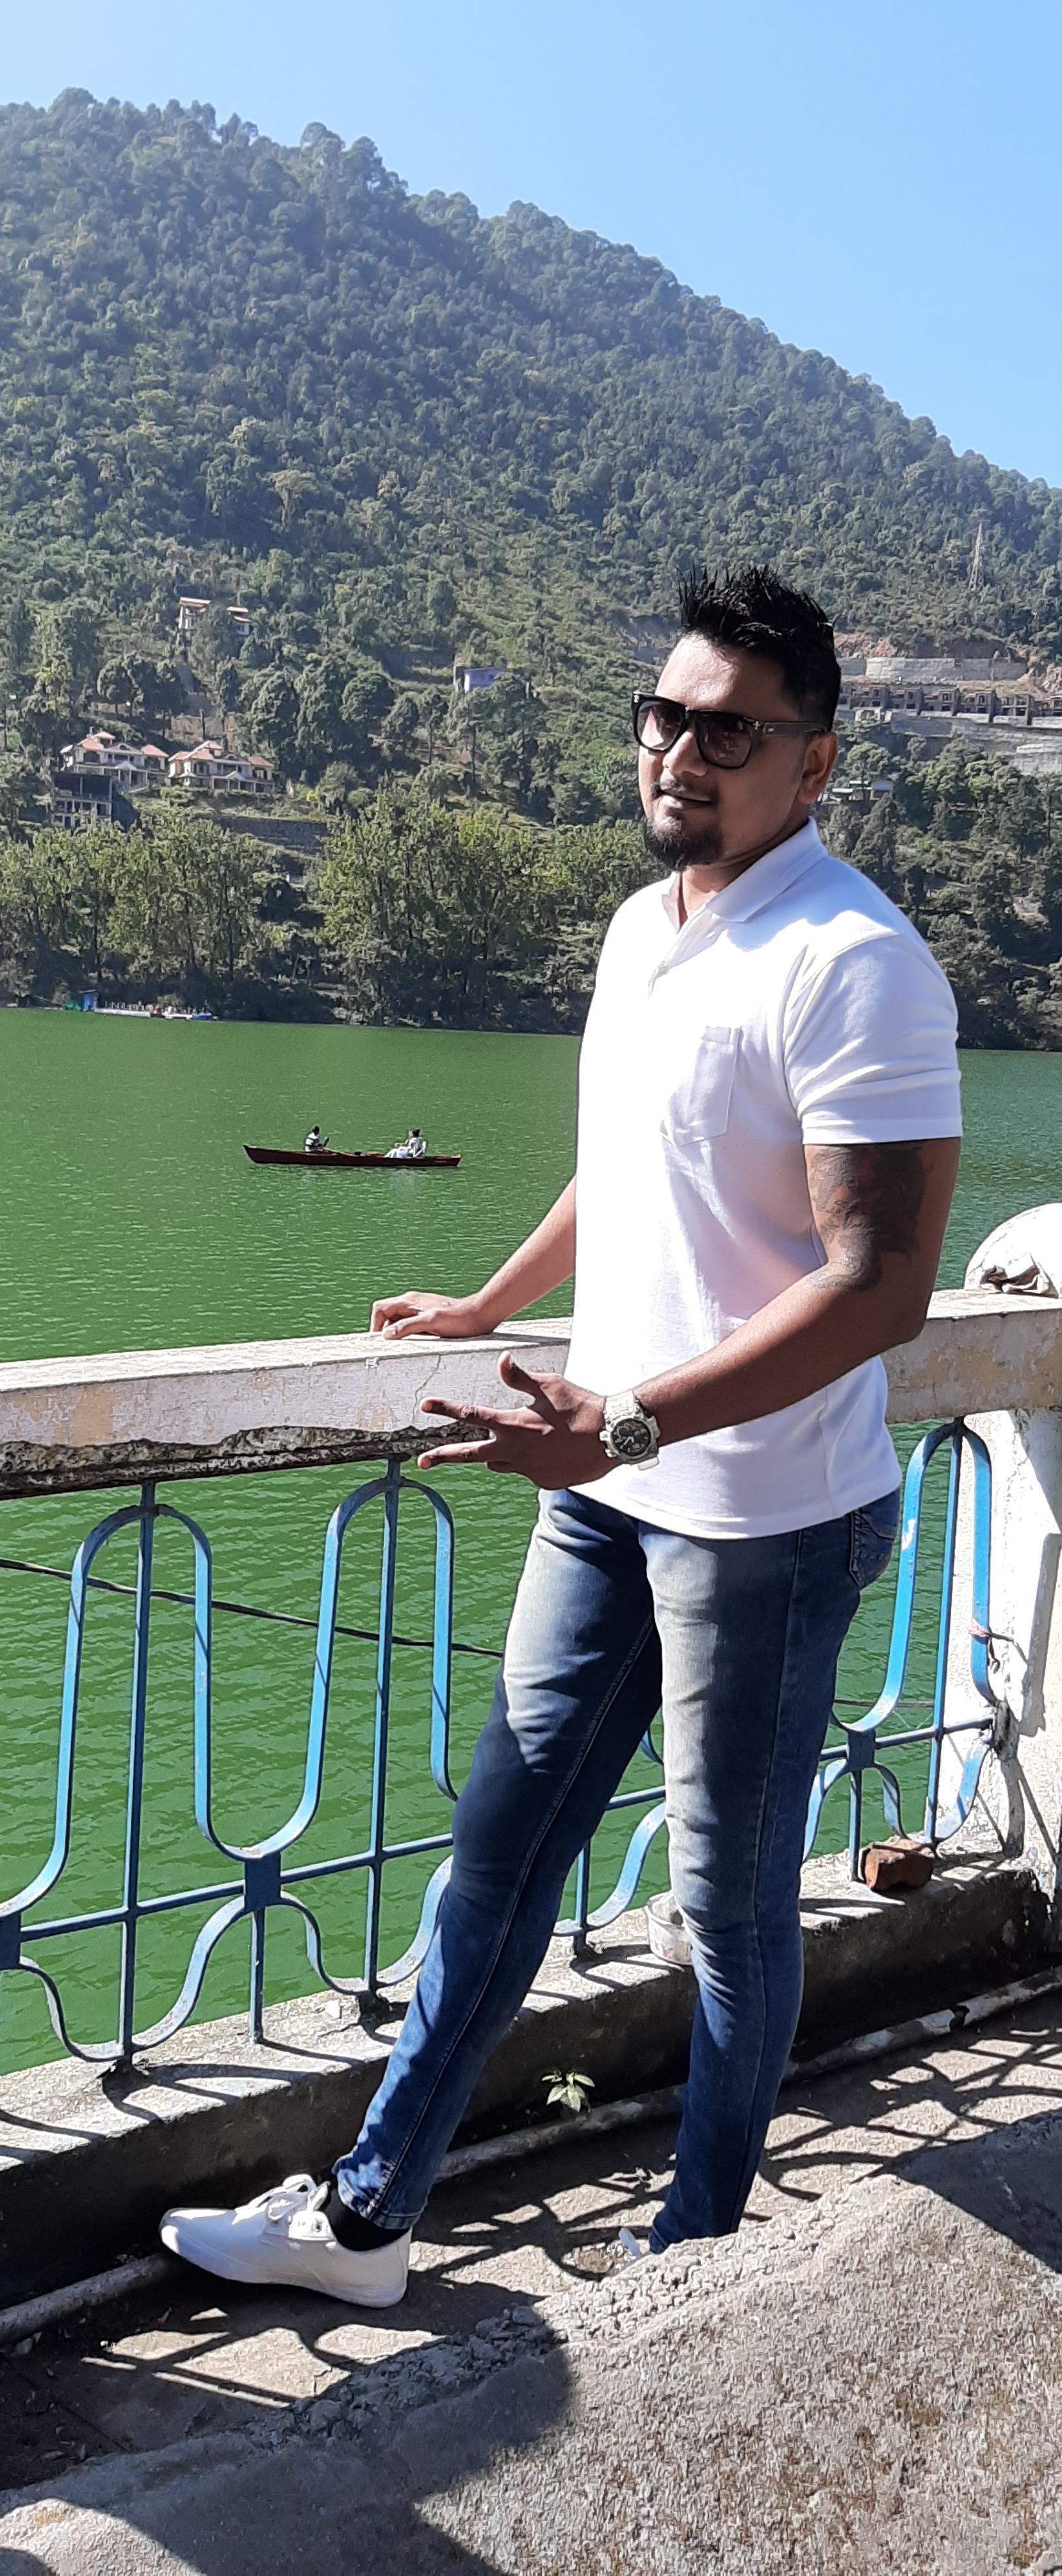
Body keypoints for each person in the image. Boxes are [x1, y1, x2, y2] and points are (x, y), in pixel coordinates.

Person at [160, 565, 962, 2311]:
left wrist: (634, 1416)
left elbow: (885, 1286)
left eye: (730, 732)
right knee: (497, 1855)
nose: (682, 752)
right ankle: (369, 2219)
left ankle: (696, 2258)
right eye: (664, 717)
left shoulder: (856, 965)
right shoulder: (639, 931)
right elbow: (635, 1162)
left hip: (759, 1518)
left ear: (814, 761)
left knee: (726, 1910)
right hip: (604, 1489)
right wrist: (491, 1300)